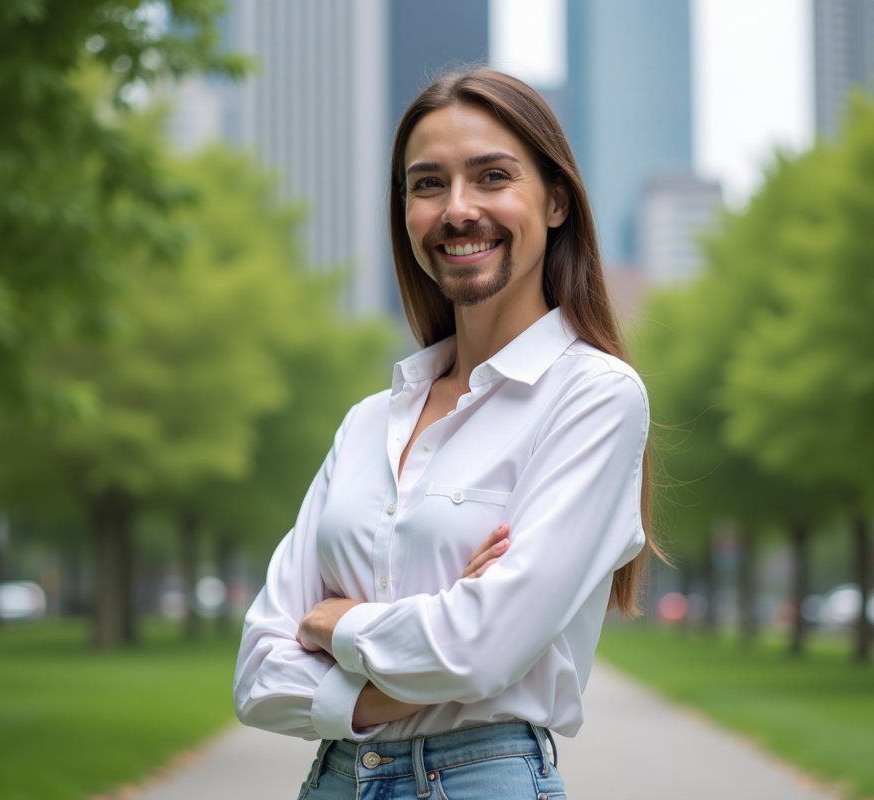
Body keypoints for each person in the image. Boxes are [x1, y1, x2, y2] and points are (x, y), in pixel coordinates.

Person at [233, 68, 659, 800]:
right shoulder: (370, 421)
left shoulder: (595, 398)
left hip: (480, 781)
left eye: (492, 177)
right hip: (333, 783)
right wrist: (395, 686)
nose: (458, 210)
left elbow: (479, 648)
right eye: (428, 185)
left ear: (556, 201)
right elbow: (258, 672)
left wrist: (337, 624)